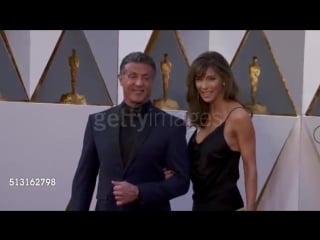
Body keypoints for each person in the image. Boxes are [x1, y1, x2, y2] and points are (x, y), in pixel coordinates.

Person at [67, 51, 190, 211]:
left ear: (153, 82)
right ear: (121, 79)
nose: (139, 83)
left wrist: (140, 192)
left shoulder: (172, 126)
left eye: (146, 78)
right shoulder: (97, 122)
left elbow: (181, 182)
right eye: (133, 76)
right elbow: (84, 179)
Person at [165, 51, 257, 211]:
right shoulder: (204, 115)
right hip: (199, 206)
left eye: (211, 79)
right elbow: (201, 165)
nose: (204, 86)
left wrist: (251, 208)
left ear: (224, 80)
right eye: (199, 79)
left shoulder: (238, 117)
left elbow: (250, 167)